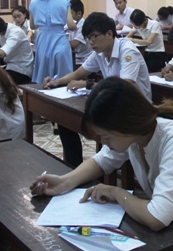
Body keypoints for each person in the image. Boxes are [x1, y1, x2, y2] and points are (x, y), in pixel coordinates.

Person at [30, 77, 173, 250]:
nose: (104, 143)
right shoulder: (135, 134)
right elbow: (102, 161)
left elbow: (157, 218)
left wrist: (116, 193)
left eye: (106, 137)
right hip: (172, 219)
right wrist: (64, 182)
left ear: (125, 124)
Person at [43, 12, 151, 167]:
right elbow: (78, 73)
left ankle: (102, 172)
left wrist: (87, 85)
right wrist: (56, 82)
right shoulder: (99, 53)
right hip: (113, 105)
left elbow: (124, 87)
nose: (91, 42)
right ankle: (74, 166)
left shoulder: (128, 50)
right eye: (88, 38)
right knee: (64, 119)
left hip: (133, 109)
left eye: (94, 36)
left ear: (109, 34)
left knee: (95, 124)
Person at [28, 0, 76, 84]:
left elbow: (32, 25)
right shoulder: (64, 1)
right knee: (63, 74)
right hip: (59, 38)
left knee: (43, 72)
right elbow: (71, 26)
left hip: (43, 39)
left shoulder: (34, 3)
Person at [68, 0, 93, 66]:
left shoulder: (83, 26)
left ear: (79, 13)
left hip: (84, 60)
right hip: (76, 59)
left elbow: (73, 45)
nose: (68, 17)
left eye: (71, 13)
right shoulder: (74, 25)